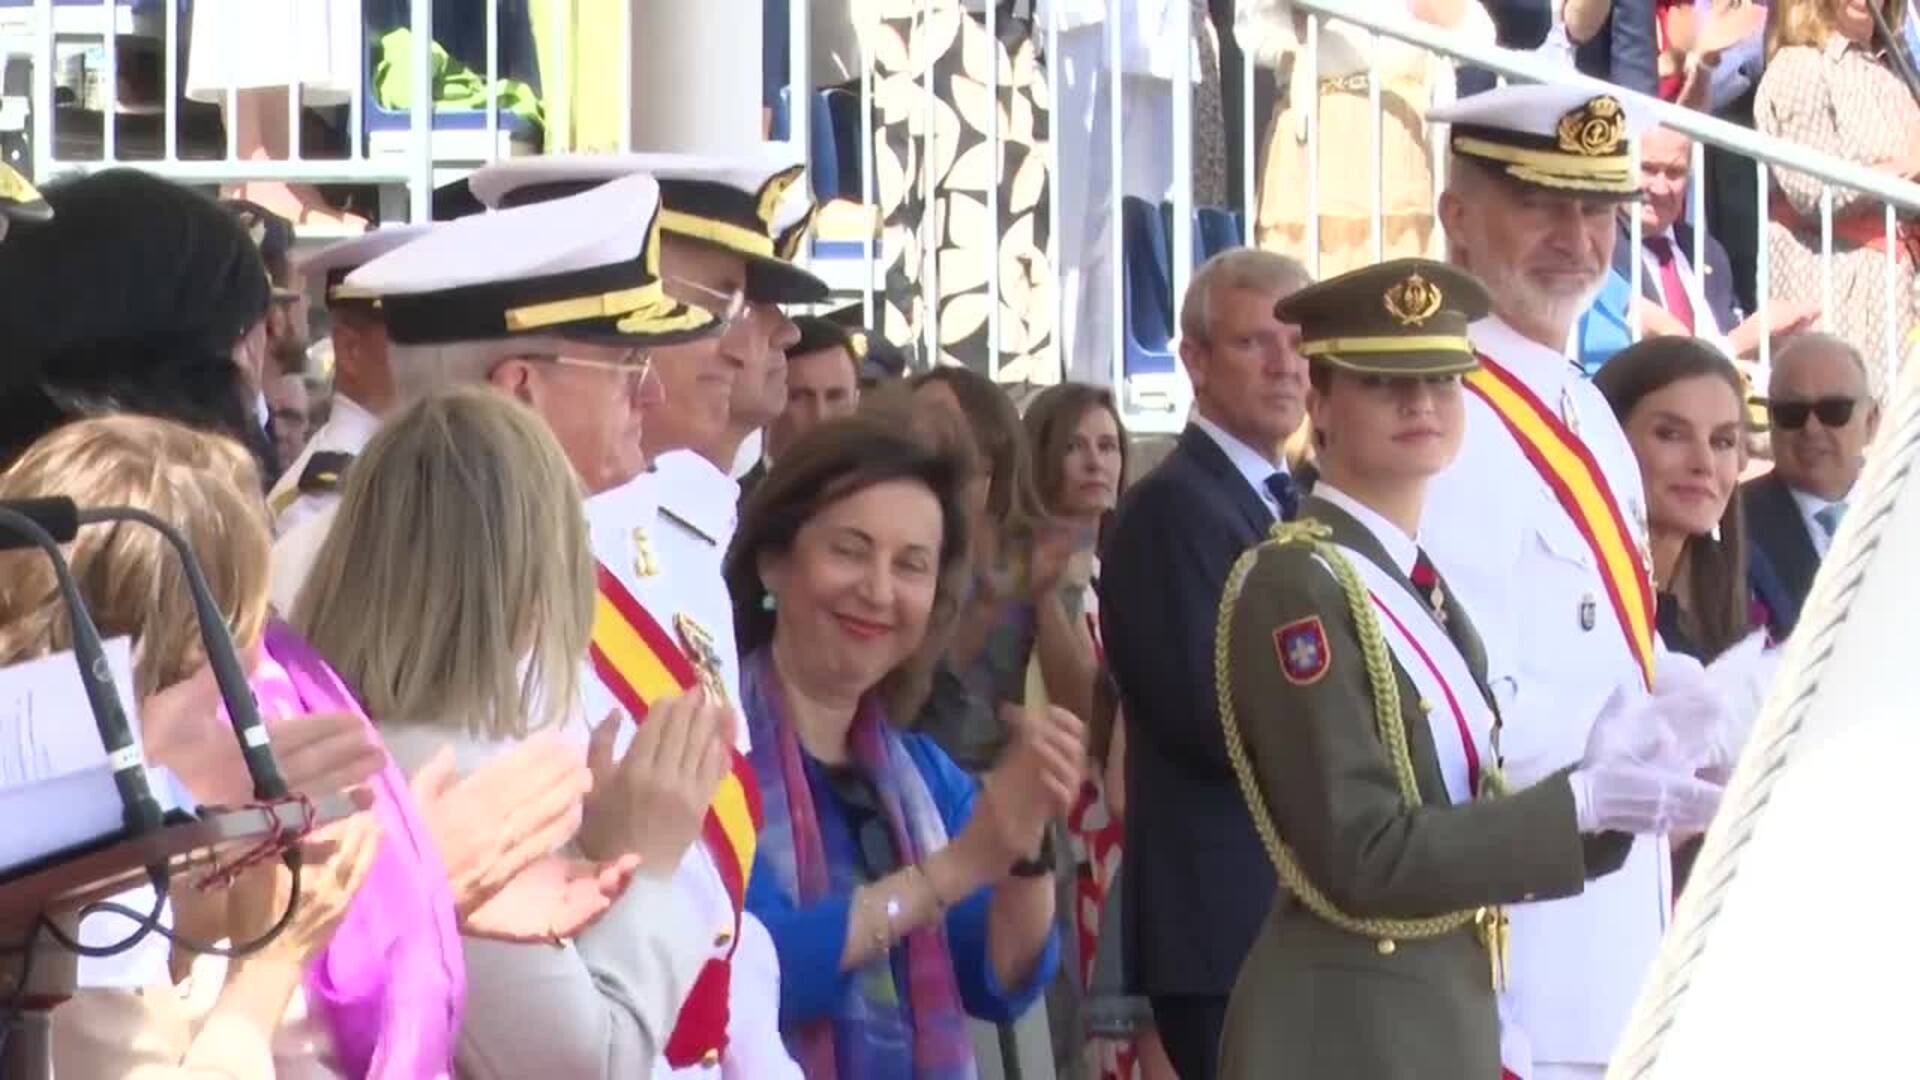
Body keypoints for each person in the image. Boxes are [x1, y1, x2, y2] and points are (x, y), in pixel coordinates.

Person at [335, 173, 801, 1079]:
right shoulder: (392, 563)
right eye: (624, 369)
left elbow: (716, 904)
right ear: (521, 386)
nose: (650, 397)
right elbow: (565, 1040)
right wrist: (631, 858)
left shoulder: (648, 546)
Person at [1214, 258, 1722, 1079]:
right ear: (1320, 404)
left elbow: (1463, 805)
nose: (1422, 404)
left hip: (1440, 1008)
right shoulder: (1296, 584)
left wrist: (1601, 794)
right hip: (1349, 1027)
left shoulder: (1416, 583)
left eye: (1443, 380)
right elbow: (1362, 854)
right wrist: (1577, 802)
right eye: (1385, 382)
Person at [1423, 83, 1769, 1078]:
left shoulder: (1575, 396)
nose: (1575, 237)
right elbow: (1442, 712)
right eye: (1541, 204)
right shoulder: (1440, 406)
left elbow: (1589, 636)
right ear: (1458, 215)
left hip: (1605, 934)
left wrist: (1685, 698)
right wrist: (1485, 1016)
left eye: (1597, 210)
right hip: (1510, 941)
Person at [292, 386, 722, 1079]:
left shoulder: (330, 739)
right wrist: (650, 864)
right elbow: (578, 1064)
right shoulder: (453, 774)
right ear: (531, 587)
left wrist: (600, 854)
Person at [726, 415, 1076, 1077]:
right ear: (773, 561)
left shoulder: (923, 773)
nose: (879, 591)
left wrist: (1027, 841)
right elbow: (753, 972)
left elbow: (998, 977)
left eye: (911, 566)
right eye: (851, 551)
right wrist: (951, 871)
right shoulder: (715, 750)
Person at [1097, 246, 1311, 1080]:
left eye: (1297, 342)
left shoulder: (1288, 499)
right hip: (1224, 920)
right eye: (1255, 342)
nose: (1285, 364)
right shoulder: (1171, 509)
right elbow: (1204, 712)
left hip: (1282, 917)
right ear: (1193, 359)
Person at [1022, 381, 1170, 1080]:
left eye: (1108, 445)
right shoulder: (1027, 577)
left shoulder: (1120, 569)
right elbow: (1081, 699)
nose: (1094, 461)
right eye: (1074, 445)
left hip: (1119, 824)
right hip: (1061, 818)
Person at [1237, 0, 1495, 277]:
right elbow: (1252, 32)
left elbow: (1479, 37)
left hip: (1403, 134)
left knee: (1403, 282)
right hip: (1319, 125)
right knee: (1304, 281)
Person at [1757, 0, 1920, 385]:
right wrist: (1908, 166)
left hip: (1902, 287)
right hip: (1841, 287)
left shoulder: (1896, 74)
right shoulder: (1801, 65)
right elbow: (1811, 190)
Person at [1595, 337, 1765, 661]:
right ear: (1608, 436)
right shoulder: (1569, 594)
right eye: (1671, 434)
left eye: (1723, 441)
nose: (1703, 463)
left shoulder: (1739, 592)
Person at [267, 224, 433, 541]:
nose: (437, 354)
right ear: (349, 349)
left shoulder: (395, 465)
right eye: (414, 337)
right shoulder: (326, 502)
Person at [1615, 126, 1820, 359]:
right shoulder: (1601, 249)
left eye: (1674, 173)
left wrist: (1768, 343)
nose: (1661, 189)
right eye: (1648, 169)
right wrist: (1741, 340)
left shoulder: (1707, 251)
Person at [1742, 331, 1881, 639]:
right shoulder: (1731, 525)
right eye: (1791, 413)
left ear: (1871, 421)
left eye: (1834, 411)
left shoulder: (1904, 509)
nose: (1811, 428)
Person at [766, 315, 863, 462]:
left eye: (835, 397)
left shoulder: (883, 482)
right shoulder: (726, 484)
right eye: (799, 397)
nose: (820, 415)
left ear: (856, 401)